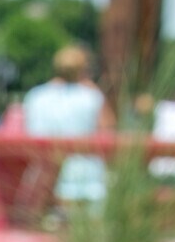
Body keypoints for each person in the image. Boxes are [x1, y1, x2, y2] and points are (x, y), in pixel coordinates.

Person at [21, 44, 109, 202]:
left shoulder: (35, 96)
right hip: (84, 181)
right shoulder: (91, 97)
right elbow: (107, 131)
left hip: (41, 178)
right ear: (83, 71)